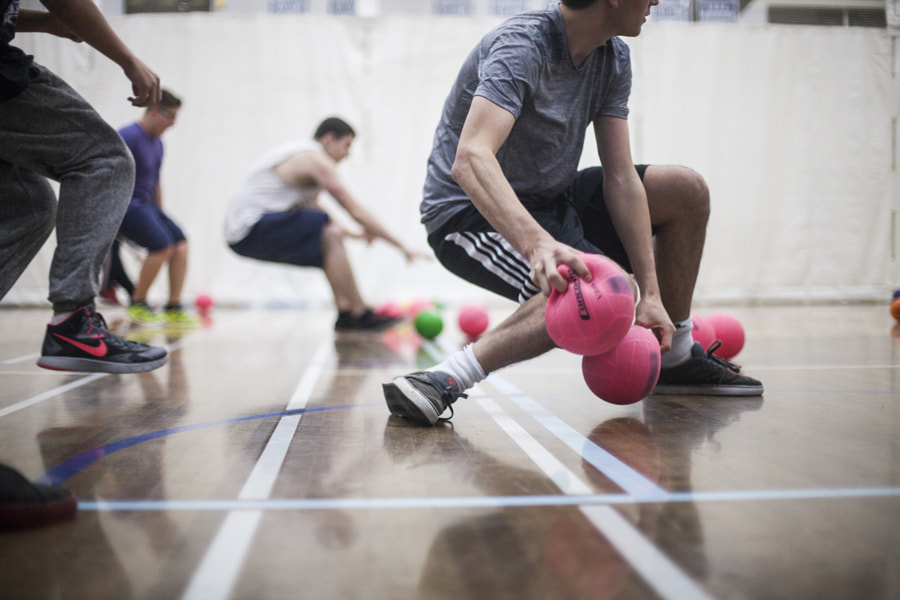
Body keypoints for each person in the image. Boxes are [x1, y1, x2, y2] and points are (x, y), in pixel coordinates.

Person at [382, 0, 763, 425]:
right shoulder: (523, 45)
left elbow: (621, 179)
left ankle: (676, 357)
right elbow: (471, 158)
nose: (657, 1)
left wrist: (652, 292)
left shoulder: (613, 55)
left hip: (554, 200)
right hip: (468, 214)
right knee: (599, 293)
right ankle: (442, 379)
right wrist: (537, 245)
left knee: (684, 191)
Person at [1, 0, 168, 527]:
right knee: (104, 159)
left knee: (28, 207)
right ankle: (75, 318)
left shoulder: (162, 146)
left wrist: (38, 22)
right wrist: (126, 58)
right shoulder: (142, 135)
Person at [225, 116, 428, 331]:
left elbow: (315, 207)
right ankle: (360, 312)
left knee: (331, 235)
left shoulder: (301, 159)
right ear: (329, 139)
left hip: (247, 231)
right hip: (247, 229)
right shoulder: (314, 159)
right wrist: (402, 246)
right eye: (347, 145)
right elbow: (355, 210)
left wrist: (353, 235)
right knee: (325, 228)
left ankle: (347, 313)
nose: (348, 154)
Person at [116, 89, 197, 326]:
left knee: (180, 244)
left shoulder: (158, 144)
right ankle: (138, 303)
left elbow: (155, 180)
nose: (172, 124)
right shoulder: (127, 136)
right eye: (170, 117)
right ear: (153, 111)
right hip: (127, 206)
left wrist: (160, 214)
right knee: (162, 246)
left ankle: (173, 306)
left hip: (147, 206)